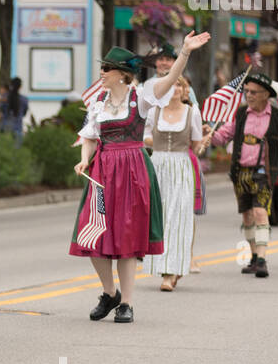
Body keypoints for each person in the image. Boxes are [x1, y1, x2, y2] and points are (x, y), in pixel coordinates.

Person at [70, 32, 210, 323]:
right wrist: (84, 159)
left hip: (133, 169)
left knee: (126, 237)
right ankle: (110, 293)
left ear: (122, 74)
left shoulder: (141, 98)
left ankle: (127, 304)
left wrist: (184, 51)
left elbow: (170, 80)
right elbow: (88, 135)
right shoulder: (98, 102)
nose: (102, 73)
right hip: (104, 170)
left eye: (106, 69)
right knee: (91, 234)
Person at [206, 74, 278, 278]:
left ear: (266, 94)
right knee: (247, 215)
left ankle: (263, 259)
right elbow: (223, 138)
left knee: (260, 212)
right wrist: (210, 134)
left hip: (264, 173)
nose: (248, 95)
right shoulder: (240, 114)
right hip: (240, 172)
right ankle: (254, 256)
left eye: (253, 92)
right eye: (246, 91)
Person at [141, 76, 209, 291]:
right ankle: (166, 268)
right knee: (160, 217)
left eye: (179, 85)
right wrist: (157, 139)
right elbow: (143, 137)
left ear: (185, 89)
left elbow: (196, 146)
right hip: (158, 164)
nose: (175, 89)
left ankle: (171, 271)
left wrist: (204, 143)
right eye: (171, 85)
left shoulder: (192, 113)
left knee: (178, 218)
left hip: (181, 165)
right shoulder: (154, 112)